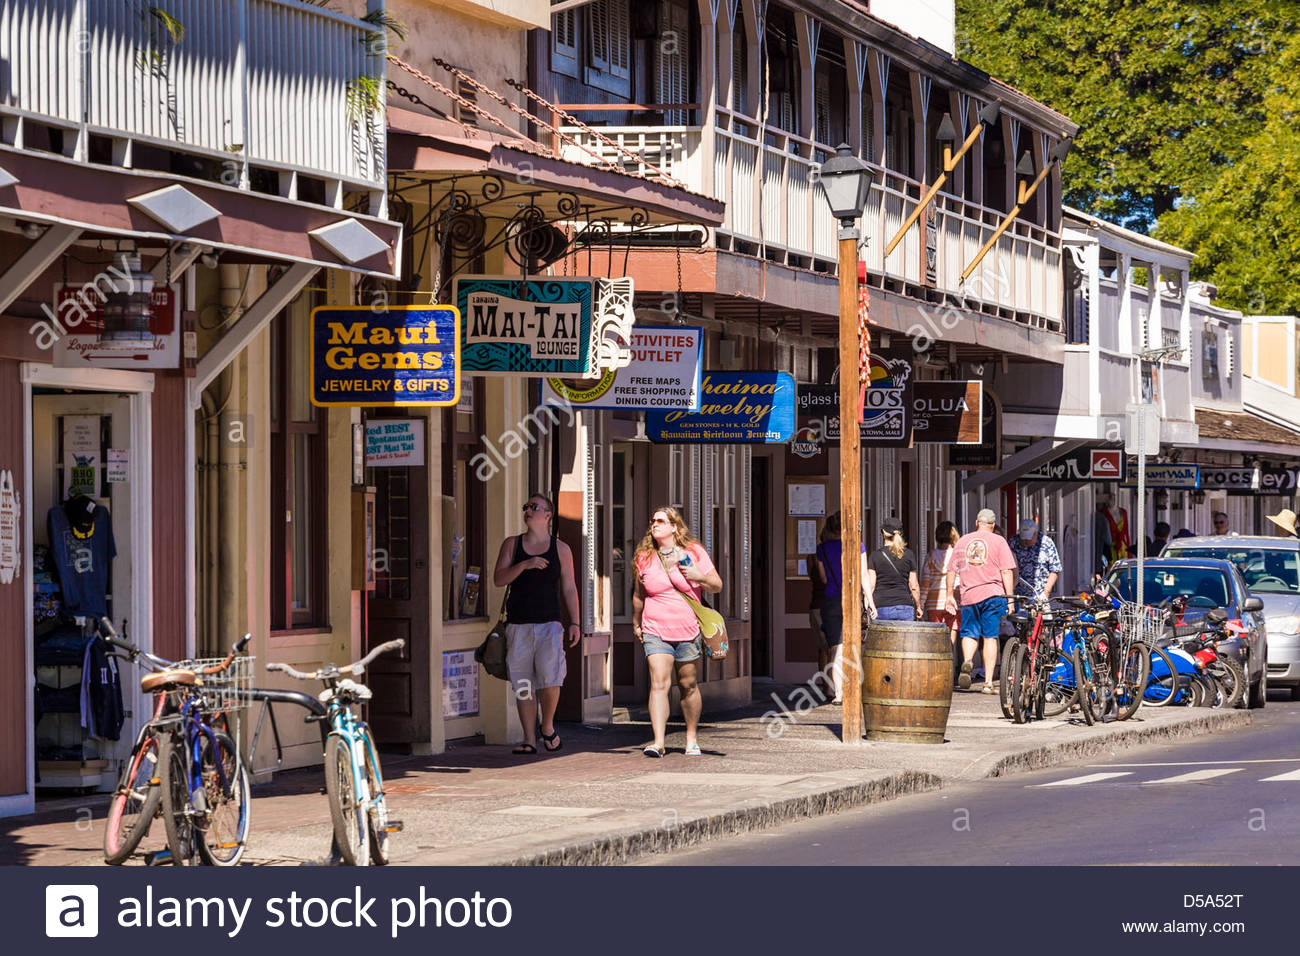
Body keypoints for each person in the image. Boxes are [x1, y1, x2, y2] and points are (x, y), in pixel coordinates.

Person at [492, 493, 581, 756]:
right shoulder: (512, 544)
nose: (528, 510)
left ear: (547, 515)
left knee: (550, 678)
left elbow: (569, 587)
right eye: (526, 507)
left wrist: (575, 621)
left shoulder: (561, 549)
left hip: (549, 624)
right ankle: (529, 738)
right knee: (522, 683)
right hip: (518, 623)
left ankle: (548, 725)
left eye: (534, 507)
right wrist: (525, 564)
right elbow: (498, 579)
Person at [632, 506, 722, 757]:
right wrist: (636, 621)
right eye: (652, 521)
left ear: (674, 526)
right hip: (655, 629)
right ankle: (658, 741)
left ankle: (691, 738)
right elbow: (639, 594)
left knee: (688, 684)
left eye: (661, 521)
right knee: (659, 683)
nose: (655, 524)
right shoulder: (645, 557)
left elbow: (717, 585)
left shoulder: (694, 552)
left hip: (688, 628)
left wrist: (697, 575)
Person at [946, 508, 1017, 694]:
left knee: (969, 633)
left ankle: (968, 660)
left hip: (969, 595)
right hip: (992, 595)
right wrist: (1010, 599)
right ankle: (987, 682)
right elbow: (1007, 571)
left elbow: (951, 570)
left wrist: (948, 595)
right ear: (992, 525)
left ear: (977, 523)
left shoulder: (962, 541)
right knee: (990, 637)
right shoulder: (999, 541)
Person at [815, 512, 868, 704]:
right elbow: (864, 577)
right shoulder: (858, 546)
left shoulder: (821, 549)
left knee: (836, 648)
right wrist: (869, 601)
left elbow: (824, 579)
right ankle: (854, 688)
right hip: (852, 599)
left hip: (831, 600)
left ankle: (838, 694)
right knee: (853, 646)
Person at [866, 517, 921, 621]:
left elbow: (871, 585)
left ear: (883, 532)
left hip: (882, 606)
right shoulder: (909, 555)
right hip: (905, 606)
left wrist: (868, 604)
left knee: (883, 637)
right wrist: (918, 606)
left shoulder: (875, 556)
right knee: (905, 637)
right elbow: (914, 586)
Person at [920, 521, 960, 644]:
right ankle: (950, 661)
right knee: (951, 636)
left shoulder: (931, 556)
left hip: (934, 603)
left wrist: (921, 604)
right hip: (954, 600)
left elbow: (925, 582)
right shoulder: (957, 556)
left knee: (936, 639)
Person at [1011, 519, 1061, 602]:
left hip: (1040, 595)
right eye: (1024, 538)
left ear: (1036, 533)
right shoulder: (1013, 542)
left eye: (1029, 538)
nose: (1026, 541)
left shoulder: (1046, 543)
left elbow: (1055, 570)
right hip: (1018, 596)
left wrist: (1046, 592)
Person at [809, 523, 831, 679]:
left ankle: (826, 683)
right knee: (832, 647)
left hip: (816, 604)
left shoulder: (812, 556)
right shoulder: (827, 555)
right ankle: (831, 683)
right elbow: (824, 580)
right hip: (828, 603)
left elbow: (813, 577)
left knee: (823, 648)